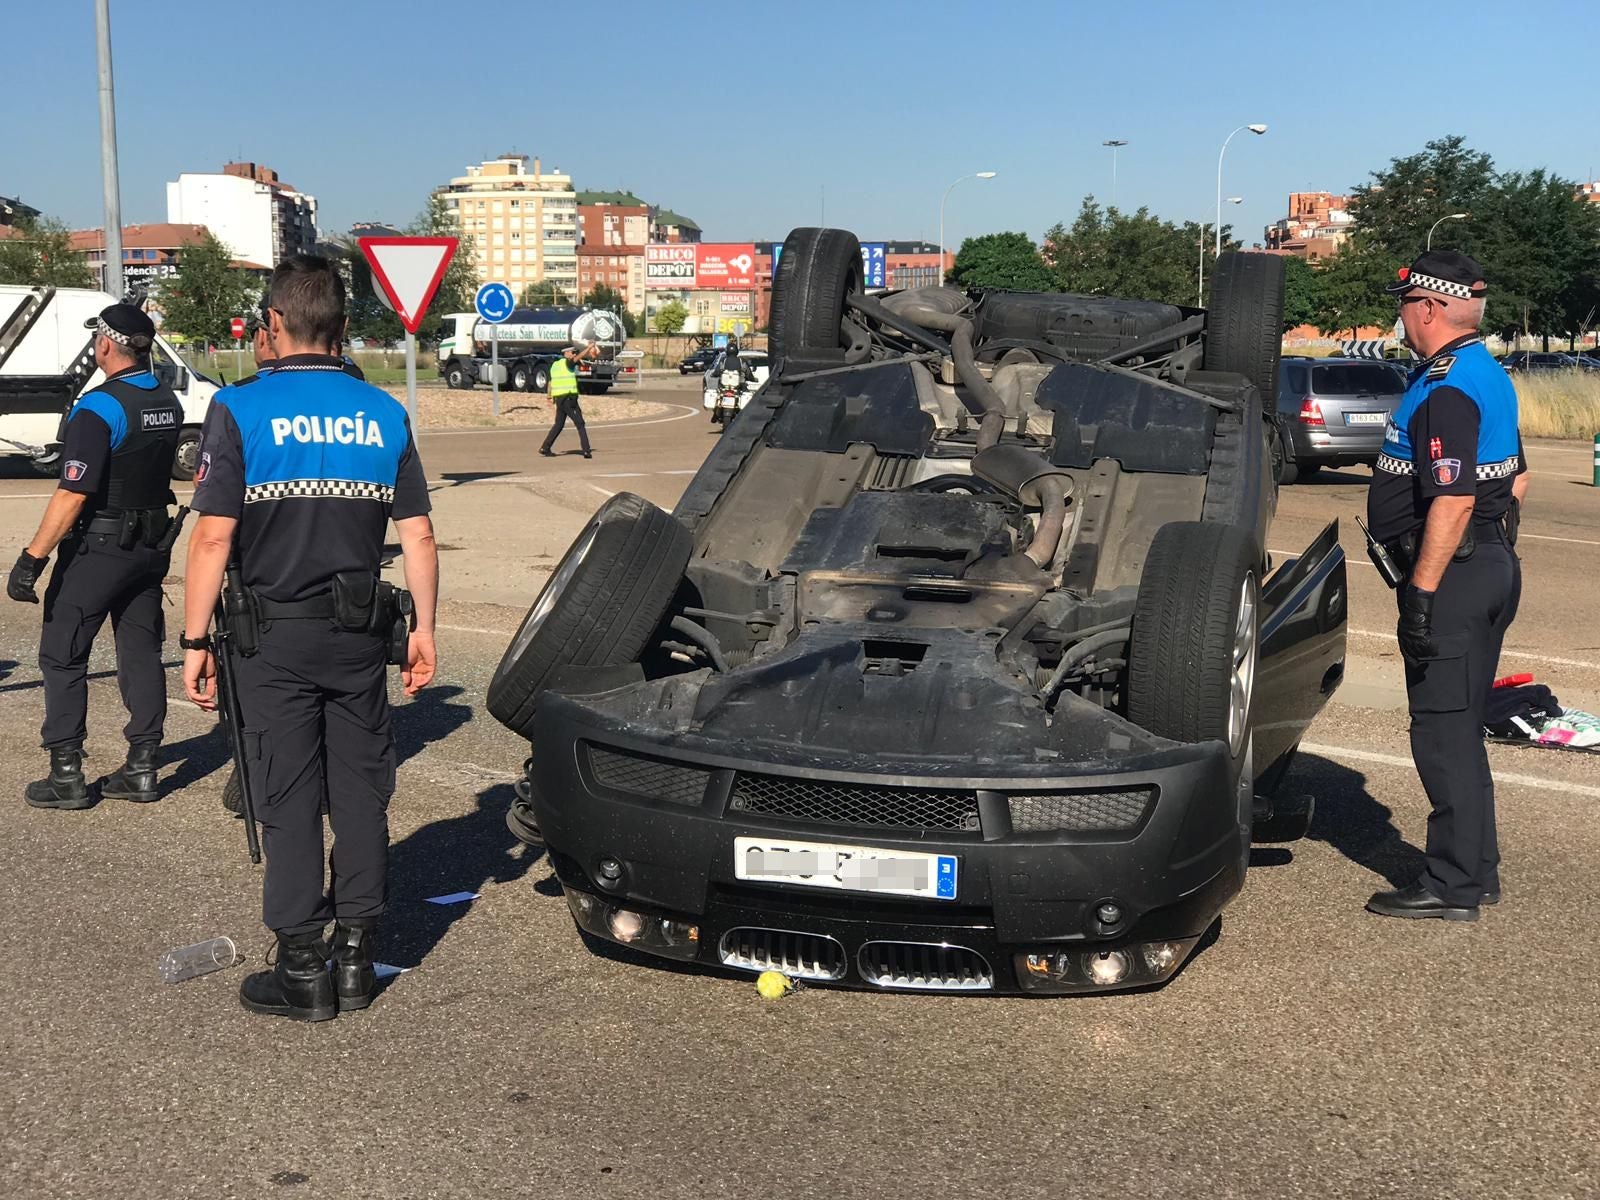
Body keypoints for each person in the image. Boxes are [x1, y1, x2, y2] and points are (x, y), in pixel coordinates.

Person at [181, 255, 438, 1021]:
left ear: (273, 324)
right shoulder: (383, 411)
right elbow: (419, 535)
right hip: (361, 633)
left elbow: (211, 539)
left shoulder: (240, 408)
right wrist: (424, 630)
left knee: (287, 791)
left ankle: (301, 968)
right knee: (361, 788)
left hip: (272, 640)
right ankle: (357, 958)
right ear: (344, 328)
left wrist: (195, 641)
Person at [1363, 249, 1524, 923]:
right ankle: (1475, 870)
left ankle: (1452, 885)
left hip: (1453, 576)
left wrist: (1423, 594)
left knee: (1439, 732)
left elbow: (1452, 501)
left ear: (1429, 307)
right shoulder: (1488, 374)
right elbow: (1515, 481)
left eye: (1404, 304)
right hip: (1485, 567)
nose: (1399, 316)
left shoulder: (1447, 386)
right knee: (1460, 730)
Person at [9, 304, 181, 809]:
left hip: (100, 547)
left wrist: (31, 559)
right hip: (150, 547)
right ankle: (143, 767)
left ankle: (66, 774)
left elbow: (73, 494)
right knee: (140, 654)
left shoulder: (97, 407)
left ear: (105, 345)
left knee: (62, 655)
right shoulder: (166, 400)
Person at [539, 342, 598, 459]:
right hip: (569, 398)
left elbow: (550, 382)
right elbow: (578, 358)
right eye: (572, 352)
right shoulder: (567, 363)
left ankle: (545, 447)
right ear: (566, 353)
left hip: (559, 399)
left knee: (559, 424)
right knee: (580, 423)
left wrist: (549, 397)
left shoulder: (555, 365)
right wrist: (589, 348)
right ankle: (586, 450)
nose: (574, 354)